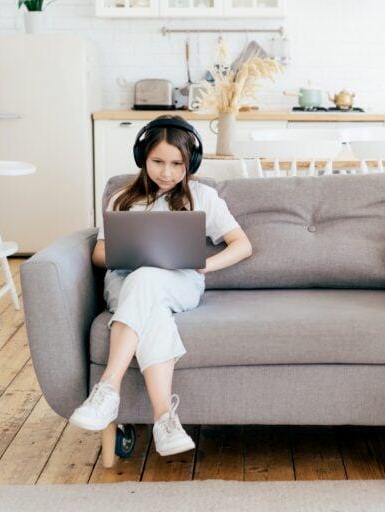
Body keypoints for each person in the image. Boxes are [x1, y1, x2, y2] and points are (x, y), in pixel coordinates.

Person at [69, 115, 252, 456]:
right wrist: (132, 254)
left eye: (177, 164)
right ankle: (165, 419)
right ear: (142, 157)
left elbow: (242, 244)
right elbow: (98, 254)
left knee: (148, 278)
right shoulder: (123, 197)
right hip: (123, 281)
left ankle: (108, 389)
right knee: (146, 289)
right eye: (157, 162)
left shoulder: (203, 196)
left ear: (190, 163)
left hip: (181, 282)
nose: (166, 172)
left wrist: (205, 264)